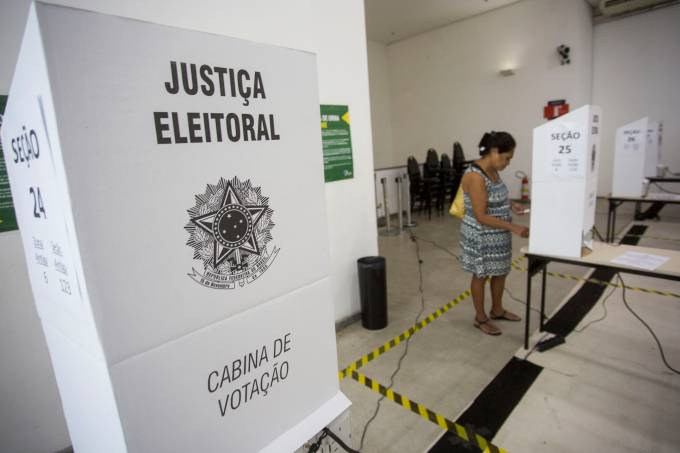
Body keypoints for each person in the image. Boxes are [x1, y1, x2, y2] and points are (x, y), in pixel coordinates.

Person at [459, 131, 529, 336]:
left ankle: (497, 310)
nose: (508, 163)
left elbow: (493, 197)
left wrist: (511, 204)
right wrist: (514, 228)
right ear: (494, 151)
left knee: (500, 271)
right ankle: (480, 318)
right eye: (507, 158)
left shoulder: (493, 171)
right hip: (481, 234)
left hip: (498, 233)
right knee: (481, 274)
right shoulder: (474, 175)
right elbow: (480, 215)